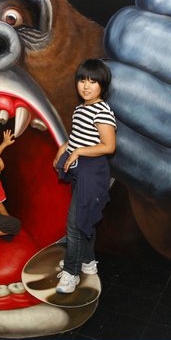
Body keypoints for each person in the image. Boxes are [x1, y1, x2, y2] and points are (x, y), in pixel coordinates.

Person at [53, 58, 116, 293]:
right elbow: (78, 136)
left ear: (103, 85)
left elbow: (109, 146)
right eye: (82, 80)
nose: (86, 86)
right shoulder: (81, 108)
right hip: (80, 169)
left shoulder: (102, 110)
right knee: (86, 218)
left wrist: (77, 151)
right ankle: (88, 263)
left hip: (92, 171)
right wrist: (65, 146)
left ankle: (71, 273)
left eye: (92, 81)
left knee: (75, 225)